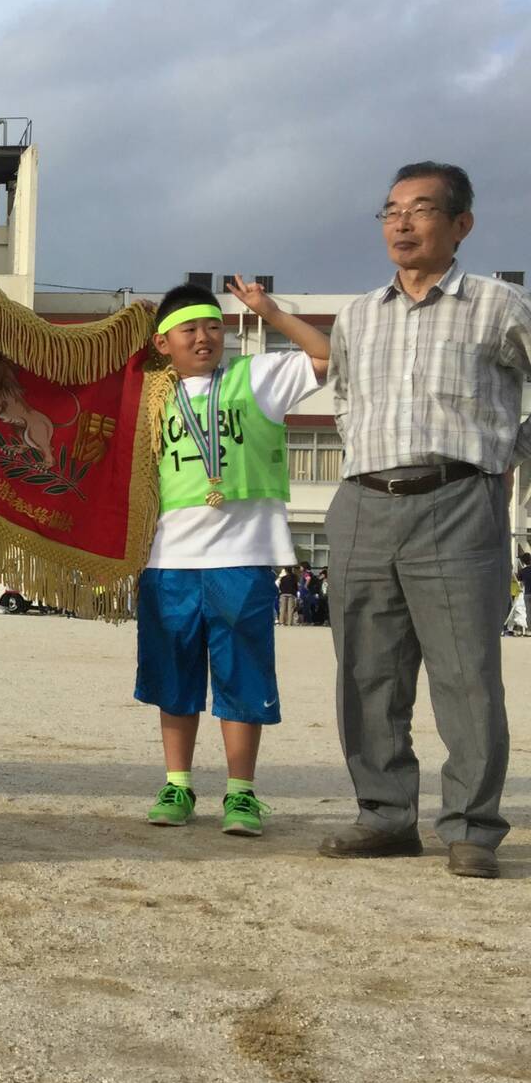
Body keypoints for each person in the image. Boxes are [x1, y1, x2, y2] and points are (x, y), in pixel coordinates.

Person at [320, 161, 529, 880]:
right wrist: (361, 458)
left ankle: (472, 827)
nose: (402, 223)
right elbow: (344, 398)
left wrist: (508, 451)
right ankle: (384, 814)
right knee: (366, 669)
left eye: (421, 209)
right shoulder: (356, 315)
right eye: (391, 210)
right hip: (362, 502)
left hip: (457, 500)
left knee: (466, 672)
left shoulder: (498, 305)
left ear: (461, 223)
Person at [138, 276, 328, 838]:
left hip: (242, 557)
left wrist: (270, 311)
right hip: (167, 559)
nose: (204, 338)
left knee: (242, 675)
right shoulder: (147, 396)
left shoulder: (256, 377)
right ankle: (177, 784)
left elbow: (325, 356)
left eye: (213, 328)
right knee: (173, 676)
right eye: (189, 330)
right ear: (163, 342)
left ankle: (241, 793)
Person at [511, 552, 531, 636]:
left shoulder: (523, 571)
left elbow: (519, 580)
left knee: (528, 613)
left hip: (527, 594)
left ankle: (529, 630)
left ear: (523, 561)